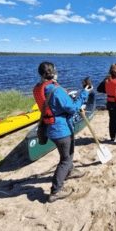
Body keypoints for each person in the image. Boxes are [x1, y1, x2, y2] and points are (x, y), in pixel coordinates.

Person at [33, 62, 93, 203]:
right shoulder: (56, 90)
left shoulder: (38, 87)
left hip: (50, 128)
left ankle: (70, 171)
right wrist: (85, 93)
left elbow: (54, 104)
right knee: (65, 159)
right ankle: (56, 191)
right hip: (61, 129)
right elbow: (72, 109)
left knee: (66, 154)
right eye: (56, 71)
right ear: (53, 73)